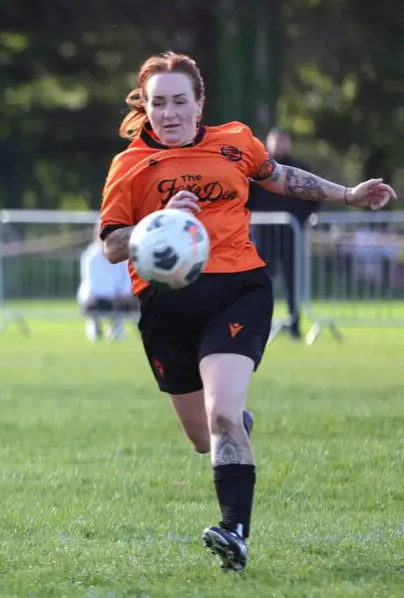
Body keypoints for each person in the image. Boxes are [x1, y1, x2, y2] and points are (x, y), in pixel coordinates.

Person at [98, 51, 395, 572]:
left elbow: (278, 175)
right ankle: (232, 424)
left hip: (238, 291)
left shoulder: (235, 142)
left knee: (221, 415)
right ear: (145, 107)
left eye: (179, 102)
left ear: (199, 103)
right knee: (201, 437)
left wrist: (348, 194)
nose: (169, 113)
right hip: (165, 307)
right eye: (158, 103)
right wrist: (157, 221)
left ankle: (234, 531)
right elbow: (111, 246)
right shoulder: (130, 166)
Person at [246, 128, 318, 339]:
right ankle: (260, 326)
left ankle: (294, 325)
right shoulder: (257, 171)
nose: (279, 145)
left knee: (292, 281)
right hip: (262, 235)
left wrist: (300, 220)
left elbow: (314, 199)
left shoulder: (300, 170)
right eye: (275, 141)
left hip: (290, 236)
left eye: (283, 141)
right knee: (261, 282)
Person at [77, 222, 137, 342]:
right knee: (94, 303)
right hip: (96, 297)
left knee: (135, 301)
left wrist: (125, 293)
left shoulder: (121, 255)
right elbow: (92, 285)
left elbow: (126, 279)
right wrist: (113, 296)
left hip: (118, 297)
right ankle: (95, 326)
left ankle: (116, 328)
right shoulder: (91, 256)